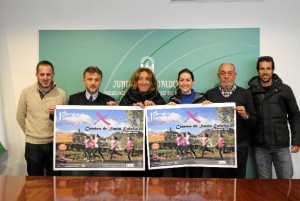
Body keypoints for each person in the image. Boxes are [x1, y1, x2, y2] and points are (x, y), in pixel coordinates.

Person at [248, 56, 300, 179]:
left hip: (281, 146)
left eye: (268, 68)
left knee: (286, 181)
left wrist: (296, 141)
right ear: (257, 70)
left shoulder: (285, 90)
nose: (265, 72)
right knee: (264, 184)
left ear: (273, 70)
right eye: (262, 69)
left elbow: (295, 116)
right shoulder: (250, 92)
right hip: (260, 147)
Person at [16, 60, 68, 176]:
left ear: (53, 75)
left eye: (48, 74)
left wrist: (56, 114)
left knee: (54, 181)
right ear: (36, 75)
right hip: (33, 145)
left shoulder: (62, 94)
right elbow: (20, 115)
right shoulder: (26, 92)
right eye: (42, 74)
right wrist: (31, 132)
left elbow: (66, 121)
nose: (45, 78)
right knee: (34, 182)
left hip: (54, 144)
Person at [205, 63, 257, 178]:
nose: (226, 76)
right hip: (217, 147)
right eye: (223, 73)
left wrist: (245, 115)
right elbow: (203, 123)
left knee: (238, 184)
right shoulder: (210, 94)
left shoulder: (245, 93)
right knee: (218, 184)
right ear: (218, 76)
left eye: (230, 73)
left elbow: (254, 121)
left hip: (239, 148)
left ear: (235, 75)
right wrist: (204, 108)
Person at [65, 66, 118, 176]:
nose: (93, 83)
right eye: (90, 79)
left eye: (96, 80)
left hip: (101, 169)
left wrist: (116, 110)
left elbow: (115, 125)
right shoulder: (73, 99)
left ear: (101, 81)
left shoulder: (110, 101)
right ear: (84, 80)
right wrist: (54, 113)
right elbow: (67, 121)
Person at [119, 67, 165, 177]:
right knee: (132, 187)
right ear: (135, 81)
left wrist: (156, 108)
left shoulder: (158, 100)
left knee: (154, 186)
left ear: (152, 82)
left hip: (152, 150)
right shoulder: (126, 99)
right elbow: (119, 122)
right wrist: (132, 109)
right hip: (134, 147)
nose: (144, 82)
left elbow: (165, 124)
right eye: (140, 79)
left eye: (147, 79)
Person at [168, 68, 207, 178]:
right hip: (180, 143)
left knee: (196, 179)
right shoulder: (172, 100)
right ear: (178, 82)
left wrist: (209, 106)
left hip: (194, 142)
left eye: (188, 80)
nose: (185, 83)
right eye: (182, 80)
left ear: (192, 82)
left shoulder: (202, 99)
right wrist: (167, 110)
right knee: (178, 180)